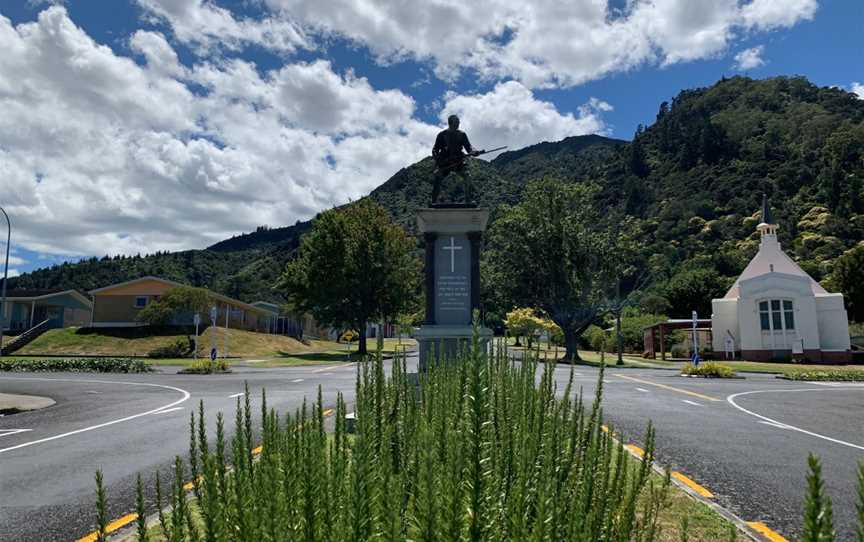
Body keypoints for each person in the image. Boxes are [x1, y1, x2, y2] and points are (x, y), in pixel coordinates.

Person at [431, 115, 481, 204]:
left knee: (467, 176)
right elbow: (435, 149)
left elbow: (469, 147)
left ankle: (468, 201)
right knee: (438, 177)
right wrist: (438, 160)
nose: (458, 124)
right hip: (445, 162)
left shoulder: (462, 135)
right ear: (450, 123)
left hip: (459, 161)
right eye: (456, 122)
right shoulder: (441, 135)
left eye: (458, 122)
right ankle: (433, 201)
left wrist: (475, 151)